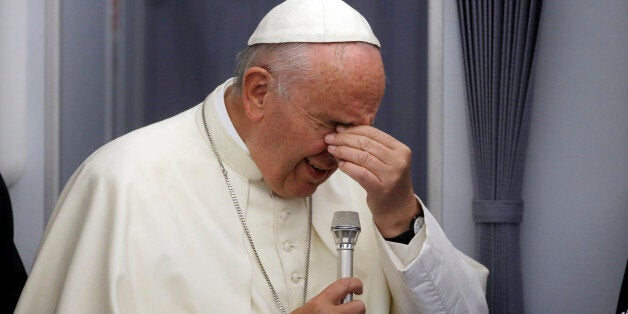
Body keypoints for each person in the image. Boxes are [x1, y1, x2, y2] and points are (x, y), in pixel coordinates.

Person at [16, 0, 488, 313]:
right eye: (330, 125)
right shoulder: (123, 181)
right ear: (259, 91)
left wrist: (400, 215)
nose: (343, 151)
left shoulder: (369, 191)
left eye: (361, 126)